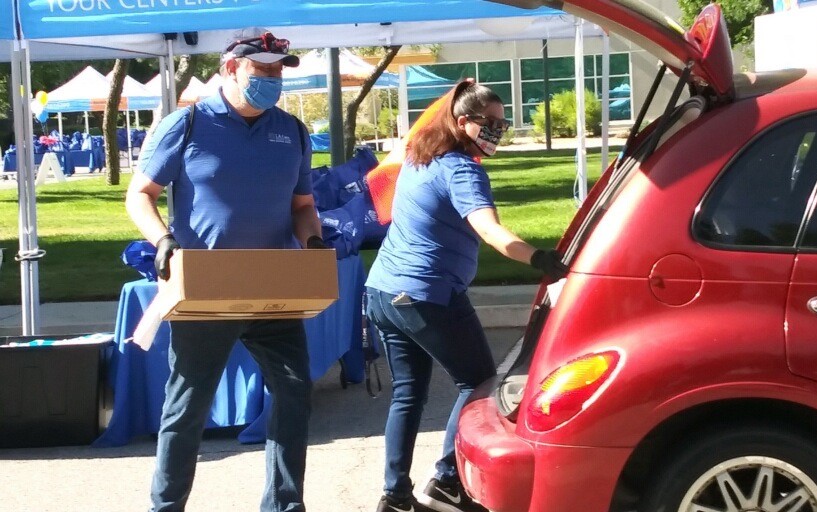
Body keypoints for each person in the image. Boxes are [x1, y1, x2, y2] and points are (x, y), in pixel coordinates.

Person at [124, 27, 326, 512]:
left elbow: (303, 206)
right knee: (188, 406)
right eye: (263, 70)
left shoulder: (292, 131)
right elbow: (140, 195)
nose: (273, 79)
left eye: (279, 71)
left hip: (274, 289)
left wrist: (314, 240)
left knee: (294, 394)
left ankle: (283, 505)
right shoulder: (187, 124)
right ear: (231, 68)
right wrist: (163, 241)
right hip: (204, 291)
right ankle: (166, 506)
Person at [365, 79, 568, 512]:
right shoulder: (461, 170)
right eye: (489, 123)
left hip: (383, 291)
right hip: (425, 294)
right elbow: (490, 230)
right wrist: (541, 260)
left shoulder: (421, 155)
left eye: (503, 122)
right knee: (479, 383)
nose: (498, 130)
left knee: (408, 393)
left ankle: (395, 496)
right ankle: (447, 482)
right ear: (462, 122)